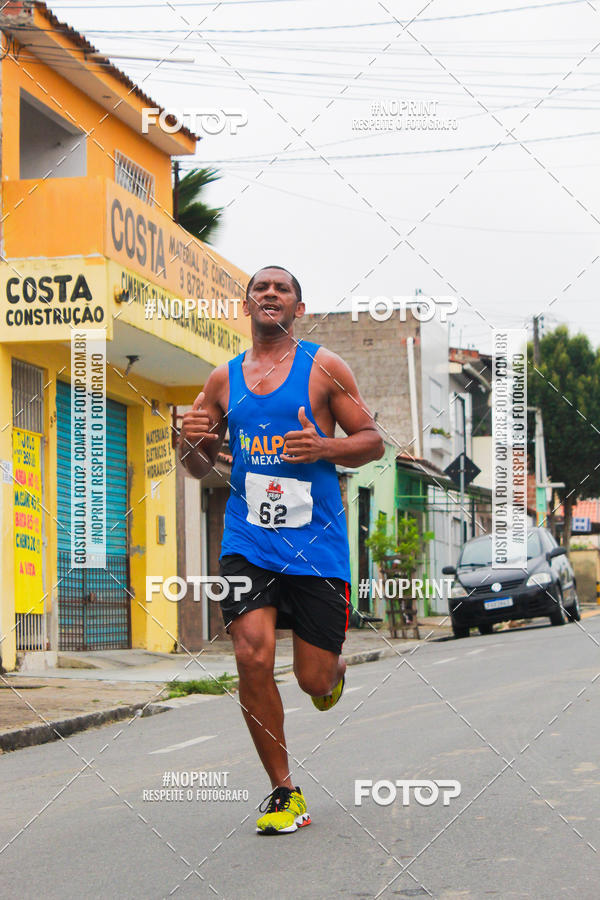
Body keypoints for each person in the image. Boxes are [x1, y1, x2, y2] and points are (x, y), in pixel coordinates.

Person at [179, 266, 383, 834]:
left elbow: (372, 441)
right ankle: (283, 791)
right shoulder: (223, 379)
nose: (270, 294)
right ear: (247, 304)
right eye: (261, 288)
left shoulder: (323, 368)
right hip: (249, 539)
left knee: (313, 681)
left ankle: (331, 672)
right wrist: (191, 441)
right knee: (251, 655)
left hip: (315, 545)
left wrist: (324, 445)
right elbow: (198, 466)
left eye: (282, 289)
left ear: (298, 305)